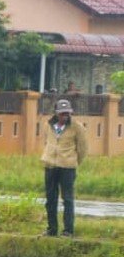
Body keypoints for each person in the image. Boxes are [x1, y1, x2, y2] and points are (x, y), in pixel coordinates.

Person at [40, 99, 88, 237]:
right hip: (50, 166)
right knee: (50, 199)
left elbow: (83, 149)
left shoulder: (77, 127)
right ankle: (52, 229)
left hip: (67, 167)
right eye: (62, 114)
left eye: (67, 113)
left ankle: (68, 230)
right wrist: (48, 156)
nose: (65, 116)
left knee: (67, 199)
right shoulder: (48, 125)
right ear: (56, 113)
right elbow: (46, 142)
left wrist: (73, 161)